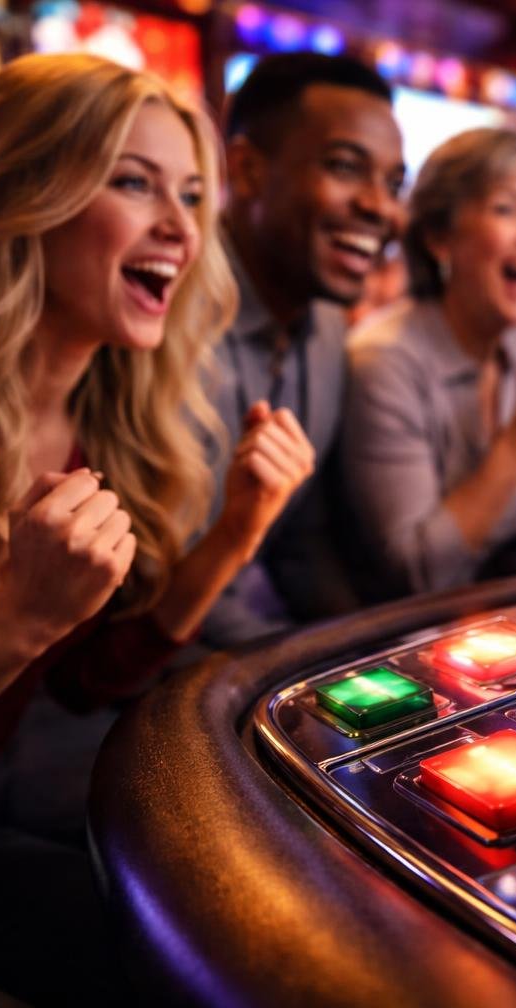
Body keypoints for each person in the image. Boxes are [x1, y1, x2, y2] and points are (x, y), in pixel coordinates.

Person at [0, 54, 313, 1008]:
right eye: (135, 183)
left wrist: (233, 535)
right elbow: (32, 649)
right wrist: (19, 616)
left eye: (190, 193)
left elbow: (81, 681)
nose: (183, 229)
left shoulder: (103, 426)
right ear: (22, 195)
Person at [342, 127, 516, 598]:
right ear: (439, 236)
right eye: (507, 210)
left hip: (494, 627)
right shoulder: (385, 361)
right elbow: (417, 573)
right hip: (383, 643)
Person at [202, 52, 404, 645]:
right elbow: (160, 591)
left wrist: (370, 649)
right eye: (346, 167)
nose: (379, 206)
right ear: (245, 170)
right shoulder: (161, 316)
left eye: (394, 183)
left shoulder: (324, 319)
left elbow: (302, 540)